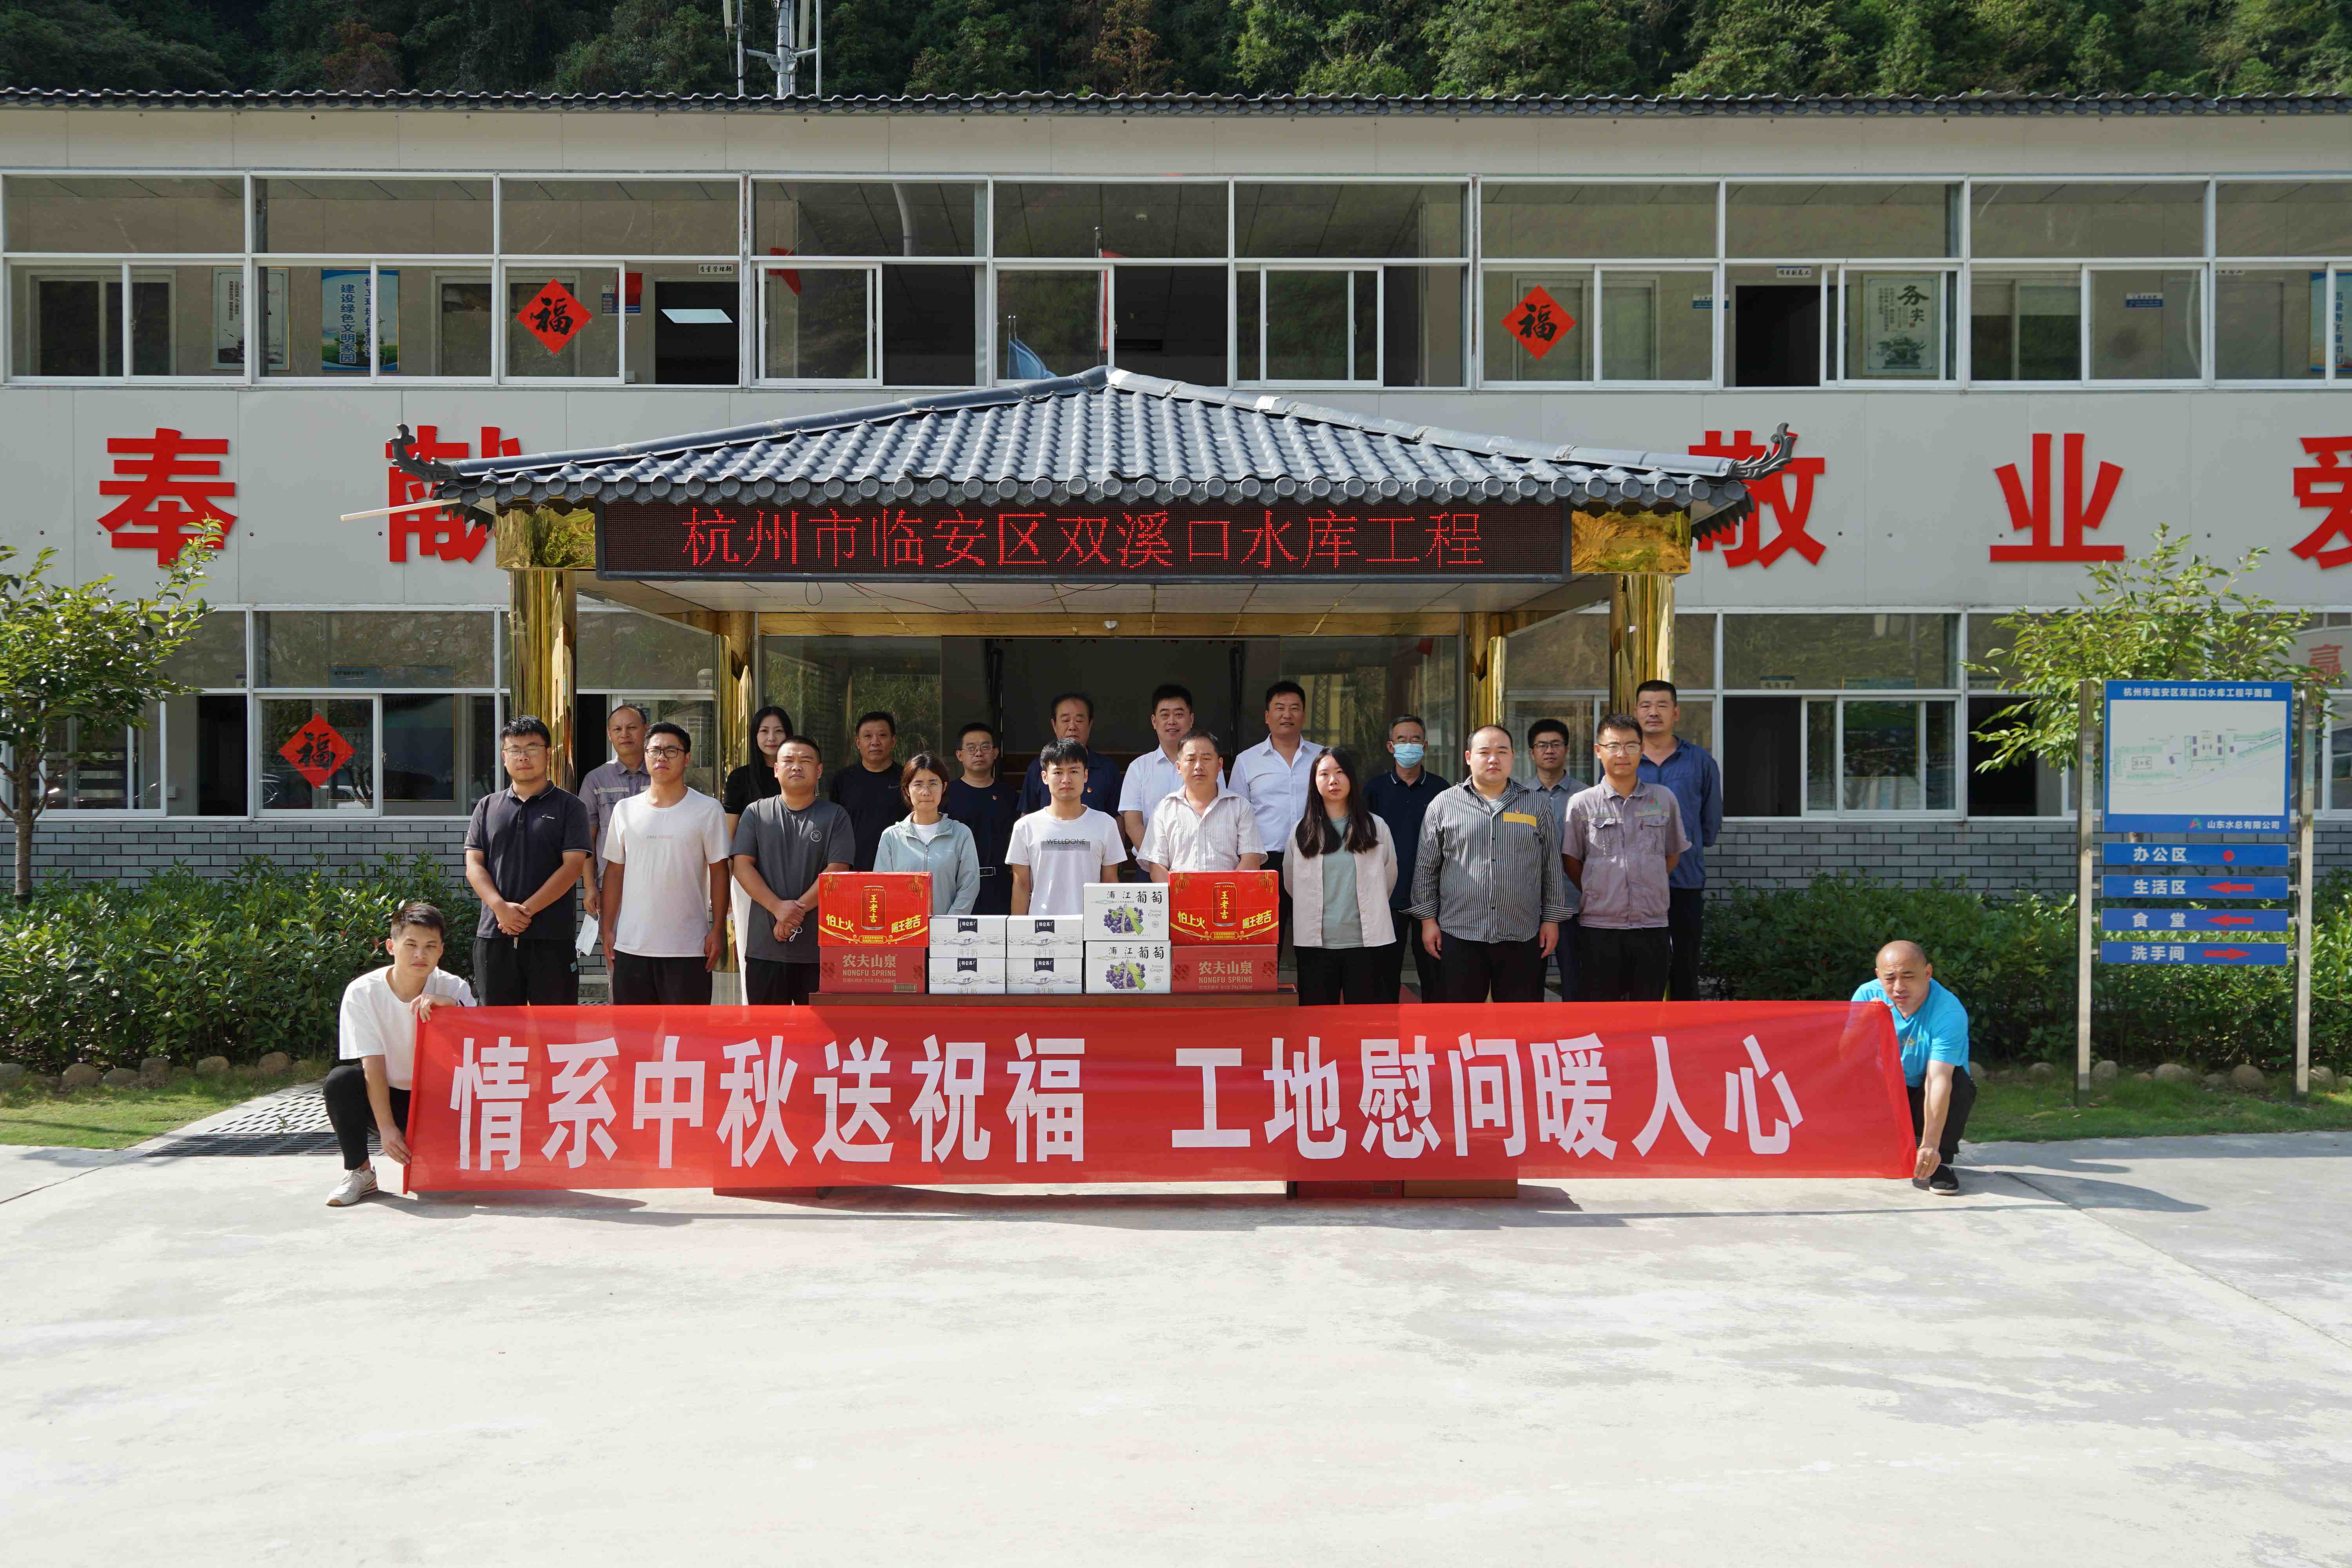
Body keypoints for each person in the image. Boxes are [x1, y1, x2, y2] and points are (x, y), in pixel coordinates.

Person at [322, 901, 474, 1207]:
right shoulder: (363, 992)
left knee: (440, 1191)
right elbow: (373, 1066)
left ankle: (440, 1153)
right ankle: (360, 1172)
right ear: (391, 947)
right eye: (411, 945)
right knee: (341, 1081)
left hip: (438, 1100)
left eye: (430, 946)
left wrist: (452, 1009)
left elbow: (477, 1052)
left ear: (441, 951)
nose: (420, 955)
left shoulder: (454, 989)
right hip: (389, 1097)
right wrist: (388, 1129)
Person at [1407, 724, 1568, 1004]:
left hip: (1521, 932)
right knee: (1460, 1020)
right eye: (1484, 752)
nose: (1493, 759)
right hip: (1459, 933)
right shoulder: (1444, 805)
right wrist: (1428, 921)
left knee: (1520, 1021)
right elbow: (1426, 869)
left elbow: (1551, 868)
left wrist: (1551, 920)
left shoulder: (1535, 805)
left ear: (1513, 757)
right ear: (1469, 757)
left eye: (1502, 752)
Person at [599, 720, 732, 1005]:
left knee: (687, 1032)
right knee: (633, 1031)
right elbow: (614, 872)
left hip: (689, 947)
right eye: (655, 750)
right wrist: (607, 928)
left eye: (672, 751)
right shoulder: (625, 810)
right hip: (632, 946)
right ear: (645, 755)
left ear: (687, 759)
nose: (662, 757)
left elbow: (720, 872)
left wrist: (718, 928)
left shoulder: (708, 809)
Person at [461, 716, 591, 1006]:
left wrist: (524, 912)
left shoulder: (571, 807)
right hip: (495, 935)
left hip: (552, 938)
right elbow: (474, 866)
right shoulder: (487, 807)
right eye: (515, 750)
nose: (523, 757)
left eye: (532, 748)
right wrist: (500, 908)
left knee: (555, 1027)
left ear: (548, 754)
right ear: (504, 757)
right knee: (498, 1027)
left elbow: (572, 868)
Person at [1562, 714, 1690, 1004]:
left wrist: (1647, 882)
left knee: (1649, 1010)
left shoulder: (1663, 798)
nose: (1622, 754)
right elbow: (1571, 860)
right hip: (1600, 927)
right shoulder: (1582, 803)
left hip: (1652, 925)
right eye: (1614, 746)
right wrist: (1598, 889)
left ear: (1642, 749)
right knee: (1601, 1012)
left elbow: (1672, 853)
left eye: (1631, 746)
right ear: (1599, 751)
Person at [733, 736, 856, 1004]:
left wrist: (791, 915)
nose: (797, 766)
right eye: (788, 761)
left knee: (819, 1030)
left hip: (819, 950)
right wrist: (777, 908)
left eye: (806, 761)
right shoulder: (756, 813)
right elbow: (741, 867)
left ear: (819, 771)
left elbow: (837, 871)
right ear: (776, 770)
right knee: (767, 1029)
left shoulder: (836, 816)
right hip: (765, 947)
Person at [1853, 940, 1976, 1195]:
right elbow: (1845, 1058)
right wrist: (1862, 1024)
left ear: (1928, 973)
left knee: (1959, 1083)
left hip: (1924, 1087)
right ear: (1879, 976)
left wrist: (1931, 1144)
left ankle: (1939, 1159)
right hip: (1887, 1089)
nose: (1899, 987)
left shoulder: (1948, 1011)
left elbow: (1938, 1079)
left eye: (1908, 977)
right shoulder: (1866, 996)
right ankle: (1894, 1146)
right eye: (1890, 979)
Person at [1284, 748, 1398, 1005]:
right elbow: (1292, 884)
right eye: (1324, 774)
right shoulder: (1301, 831)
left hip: (1366, 944)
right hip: (1315, 946)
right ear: (1314, 782)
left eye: (1340, 772)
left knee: (1364, 1021)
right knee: (1318, 1021)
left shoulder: (1376, 827)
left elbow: (1388, 878)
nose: (1333, 781)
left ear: (1352, 778)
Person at [1634, 680, 1724, 1002]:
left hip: (1685, 880)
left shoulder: (1699, 761)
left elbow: (1711, 822)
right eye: (1646, 705)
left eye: (1662, 705)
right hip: (1635, 885)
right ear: (1636, 712)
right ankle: (1643, 1030)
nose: (1653, 712)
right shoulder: (1624, 761)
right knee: (1641, 970)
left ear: (1676, 713)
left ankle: (1685, 1031)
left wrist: (1690, 846)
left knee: (1686, 967)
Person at [1231, 680, 1326, 942]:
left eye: (1295, 708)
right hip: (1266, 862)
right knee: (1267, 938)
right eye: (1280, 708)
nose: (1287, 715)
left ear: (1303, 715)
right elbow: (1235, 815)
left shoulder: (1322, 758)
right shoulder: (1247, 761)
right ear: (1267, 716)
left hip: (1314, 857)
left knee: (1313, 937)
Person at [1364, 713, 1447, 1002]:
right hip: (1387, 897)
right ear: (1391, 746)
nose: (1408, 745)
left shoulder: (1442, 790)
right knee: (1384, 979)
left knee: (1435, 977)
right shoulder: (1374, 790)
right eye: (1402, 740)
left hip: (1432, 900)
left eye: (1415, 740)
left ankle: (1436, 1030)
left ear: (1425, 746)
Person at [1007, 736, 1127, 916]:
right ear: (1045, 777)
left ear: (1085, 775)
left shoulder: (1106, 824)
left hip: (1090, 926)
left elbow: (1110, 882)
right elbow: (1021, 886)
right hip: (1042, 927)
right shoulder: (1025, 827)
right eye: (1058, 772)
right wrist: (1019, 931)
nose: (1066, 780)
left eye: (1074, 771)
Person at [1137, 730, 1263, 878]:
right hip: (1179, 893)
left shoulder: (1240, 807)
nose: (1199, 766)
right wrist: (1178, 891)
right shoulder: (1164, 810)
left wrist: (1225, 889)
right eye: (1191, 760)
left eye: (1206, 759)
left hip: (1228, 892)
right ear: (1179, 767)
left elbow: (1251, 860)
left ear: (1220, 764)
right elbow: (1157, 866)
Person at [723, 705, 795, 963]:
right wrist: (725, 888)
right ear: (755, 736)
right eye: (764, 731)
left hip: (793, 874)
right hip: (748, 877)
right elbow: (729, 837)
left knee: (792, 947)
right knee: (750, 951)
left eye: (779, 731)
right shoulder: (740, 778)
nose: (771, 738)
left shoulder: (797, 774)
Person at [1524, 717, 1584, 1005]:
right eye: (1542, 745)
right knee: (1528, 985)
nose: (1550, 751)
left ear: (1567, 750)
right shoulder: (1518, 797)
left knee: (1577, 983)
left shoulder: (1586, 796)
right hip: (1529, 908)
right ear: (1532, 752)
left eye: (1556, 744)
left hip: (1576, 906)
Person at [875, 752, 982, 913]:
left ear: (944, 787)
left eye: (933, 784)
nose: (926, 792)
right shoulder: (892, 837)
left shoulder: (961, 834)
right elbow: (882, 888)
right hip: (903, 926)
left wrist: (949, 923)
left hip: (947, 926)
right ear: (907, 790)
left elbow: (969, 886)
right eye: (918, 785)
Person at [1120, 684, 1220, 849]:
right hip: (1150, 861)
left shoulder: (1209, 765)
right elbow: (1133, 825)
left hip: (1200, 858)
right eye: (1165, 715)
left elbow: (1219, 814)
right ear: (1154, 721)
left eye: (1179, 714)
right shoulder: (1138, 768)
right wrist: (1154, 860)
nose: (1172, 721)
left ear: (1191, 719)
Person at [579, 702, 649, 922]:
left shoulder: (663, 775)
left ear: (646, 730)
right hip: (610, 885)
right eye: (618, 729)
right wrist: (590, 886)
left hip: (657, 884)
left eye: (632, 728)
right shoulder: (596, 780)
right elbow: (587, 838)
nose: (625, 735)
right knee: (613, 942)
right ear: (610, 735)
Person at [945, 720, 1021, 915]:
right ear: (959, 755)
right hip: (957, 884)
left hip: (1000, 885)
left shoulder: (1009, 795)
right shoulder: (947, 795)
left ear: (995, 753)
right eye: (971, 748)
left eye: (985, 747)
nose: (978, 753)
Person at [1018, 691, 1120, 817]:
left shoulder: (1108, 769)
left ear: (1090, 725)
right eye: (1066, 720)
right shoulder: (1038, 767)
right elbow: (1027, 816)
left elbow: (1117, 818)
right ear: (1054, 725)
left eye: (1079, 721)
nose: (1072, 727)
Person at [830, 709, 907, 872]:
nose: (875, 742)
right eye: (868, 736)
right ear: (858, 743)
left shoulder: (908, 778)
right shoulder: (843, 780)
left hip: (898, 868)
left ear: (893, 741)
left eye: (882, 735)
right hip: (853, 868)